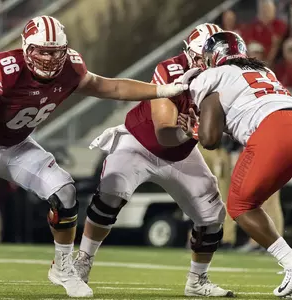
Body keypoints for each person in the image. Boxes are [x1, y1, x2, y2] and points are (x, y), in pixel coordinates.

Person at [0, 15, 194, 298]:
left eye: (54, 52)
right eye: (41, 51)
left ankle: (62, 266)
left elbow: (113, 87)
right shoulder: (8, 70)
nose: (47, 58)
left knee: (65, 192)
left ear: (64, 50)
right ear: (25, 48)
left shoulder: (71, 68)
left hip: (17, 144)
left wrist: (162, 90)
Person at [73, 23, 234, 297]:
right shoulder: (171, 71)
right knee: (111, 194)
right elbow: (163, 134)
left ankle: (197, 280)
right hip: (140, 144)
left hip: (181, 153)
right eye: (201, 59)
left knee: (212, 215)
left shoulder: (228, 79)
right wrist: (190, 131)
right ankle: (82, 262)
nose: (207, 66)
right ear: (190, 55)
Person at [183, 30, 292, 297]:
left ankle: (290, 263)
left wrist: (194, 131)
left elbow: (209, 139)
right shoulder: (265, 71)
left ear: (212, 57)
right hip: (284, 119)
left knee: (240, 205)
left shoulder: (211, 77)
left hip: (273, 131)